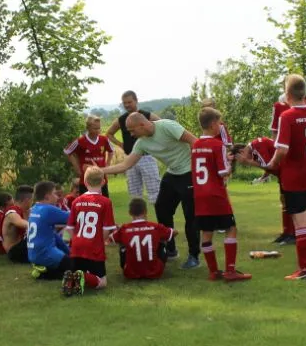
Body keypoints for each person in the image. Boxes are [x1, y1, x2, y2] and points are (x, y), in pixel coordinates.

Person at [102, 114, 201, 270]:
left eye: (132, 130)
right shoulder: (141, 143)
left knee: (191, 215)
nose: (131, 135)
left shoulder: (167, 126)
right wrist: (100, 170)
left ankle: (194, 256)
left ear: (142, 125)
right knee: (161, 207)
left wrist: (200, 167)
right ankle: (170, 249)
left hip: (190, 172)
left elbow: (195, 142)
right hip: (173, 173)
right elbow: (125, 165)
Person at [268, 75, 306, 281]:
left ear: (287, 94)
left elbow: (282, 149)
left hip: (295, 175)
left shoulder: (287, 116)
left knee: (301, 224)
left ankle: (305, 269)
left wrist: (272, 164)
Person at [192, 109, 251, 282]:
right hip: (216, 194)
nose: (220, 126)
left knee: (206, 232)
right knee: (230, 228)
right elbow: (223, 172)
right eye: (219, 123)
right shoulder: (217, 145)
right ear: (212, 124)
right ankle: (230, 271)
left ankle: (213, 272)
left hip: (199, 195)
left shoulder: (195, 145)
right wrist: (230, 162)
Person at [63, 168, 117, 296]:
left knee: (78, 269)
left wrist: (75, 240)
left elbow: (69, 227)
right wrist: (100, 241)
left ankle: (74, 278)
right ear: (103, 182)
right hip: (94, 246)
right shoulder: (105, 202)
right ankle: (82, 276)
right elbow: (108, 229)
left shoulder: (76, 201)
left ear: (85, 182)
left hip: (76, 246)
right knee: (102, 282)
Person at [106, 92, 161, 211]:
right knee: (134, 194)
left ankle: (161, 219)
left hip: (146, 157)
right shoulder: (121, 120)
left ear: (136, 101)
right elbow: (109, 133)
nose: (127, 105)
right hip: (130, 158)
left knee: (155, 191)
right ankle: (138, 220)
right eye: (124, 103)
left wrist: (155, 143)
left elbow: (161, 125)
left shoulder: (146, 115)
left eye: (129, 102)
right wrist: (121, 144)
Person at [111, 199, 174, 280]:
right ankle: (155, 264)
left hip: (130, 273)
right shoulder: (156, 226)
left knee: (121, 243)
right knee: (162, 241)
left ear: (130, 213)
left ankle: (130, 265)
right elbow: (173, 233)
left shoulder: (124, 229)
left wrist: (117, 230)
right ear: (145, 211)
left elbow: (111, 239)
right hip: (155, 272)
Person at [26, 181, 71, 279]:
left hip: (33, 254)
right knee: (78, 267)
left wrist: (68, 252)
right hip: (46, 254)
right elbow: (72, 217)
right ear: (47, 197)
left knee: (68, 261)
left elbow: (55, 236)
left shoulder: (34, 208)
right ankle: (44, 273)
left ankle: (42, 269)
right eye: (55, 194)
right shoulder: (48, 209)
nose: (57, 197)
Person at [269, 85, 296, 245]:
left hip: (295, 157)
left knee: (295, 197)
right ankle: (287, 231)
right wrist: (276, 152)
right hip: (284, 155)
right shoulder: (279, 105)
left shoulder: (305, 105)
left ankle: (295, 232)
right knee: (284, 195)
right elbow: (274, 132)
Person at [64, 116, 114, 196]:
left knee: (103, 201)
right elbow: (67, 152)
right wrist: (77, 168)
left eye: (99, 128)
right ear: (88, 128)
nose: (98, 131)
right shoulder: (80, 141)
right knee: (86, 202)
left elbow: (111, 151)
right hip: (86, 180)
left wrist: (107, 165)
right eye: (95, 128)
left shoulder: (104, 140)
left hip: (101, 179)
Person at [1, 185, 33, 264]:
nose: (32, 203)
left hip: (21, 247)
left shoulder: (25, 211)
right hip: (14, 251)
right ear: (27, 200)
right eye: (32, 200)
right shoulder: (12, 213)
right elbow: (23, 223)